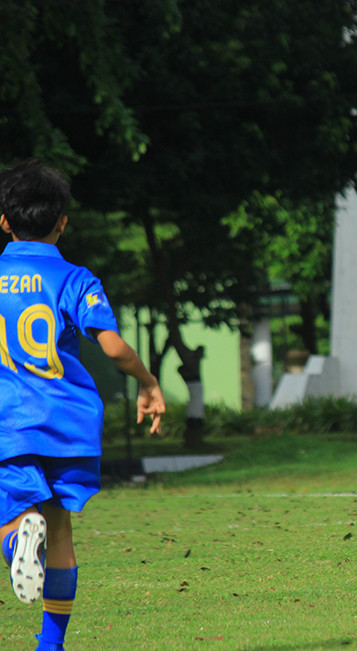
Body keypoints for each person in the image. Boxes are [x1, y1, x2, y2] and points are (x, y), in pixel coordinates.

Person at [0, 158, 165, 651]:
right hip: (70, 425)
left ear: (4, 221)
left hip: (10, 422)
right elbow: (112, 347)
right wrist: (147, 381)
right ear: (63, 222)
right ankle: (50, 646)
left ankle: (16, 541)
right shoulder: (75, 278)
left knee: (17, 521)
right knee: (60, 532)